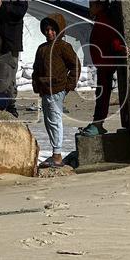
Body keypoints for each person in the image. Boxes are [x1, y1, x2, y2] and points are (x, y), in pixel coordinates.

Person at [32, 14, 80, 168]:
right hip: (45, 89)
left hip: (58, 88)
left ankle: (57, 156)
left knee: (54, 120)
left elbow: (75, 65)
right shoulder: (42, 48)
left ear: (60, 30)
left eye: (53, 29)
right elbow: (36, 69)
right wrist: (36, 84)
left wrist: (69, 85)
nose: (50, 32)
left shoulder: (63, 47)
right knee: (48, 121)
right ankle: (55, 153)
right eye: (47, 29)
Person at [80, 0, 128, 136]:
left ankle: (98, 123)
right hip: (103, 63)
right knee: (102, 93)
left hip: (106, 63)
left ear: (98, 6)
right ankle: (98, 122)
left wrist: (121, 49)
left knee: (103, 94)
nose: (89, 9)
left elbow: (113, 38)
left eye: (91, 6)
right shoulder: (101, 19)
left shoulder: (104, 20)